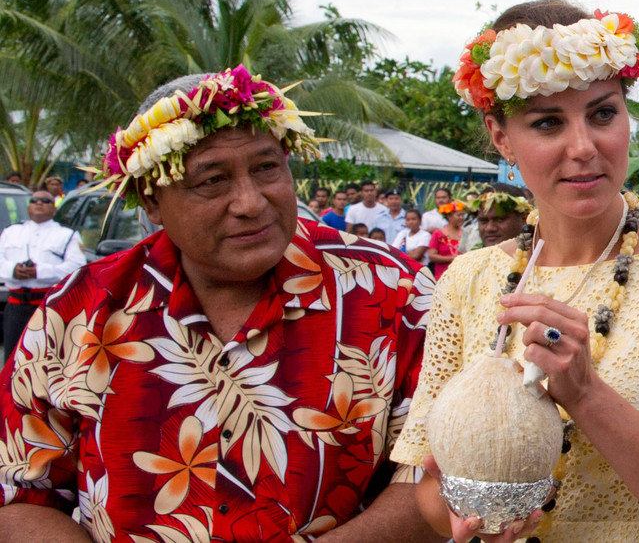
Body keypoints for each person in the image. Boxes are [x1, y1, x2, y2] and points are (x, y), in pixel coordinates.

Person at [0, 66, 433, 541]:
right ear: (151, 200)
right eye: (212, 180)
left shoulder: (393, 291)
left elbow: (440, 473)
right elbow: (21, 495)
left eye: (267, 168)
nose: (250, 202)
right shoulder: (78, 312)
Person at [389, 0, 639, 543]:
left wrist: (585, 394)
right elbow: (426, 482)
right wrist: (472, 519)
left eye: (603, 113)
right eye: (547, 122)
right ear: (501, 138)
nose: (584, 147)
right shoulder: (466, 282)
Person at [0, 190, 85, 362]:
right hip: (16, 308)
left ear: (54, 208)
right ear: (29, 206)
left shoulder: (67, 235)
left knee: (46, 361)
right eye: (35, 200)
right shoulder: (11, 232)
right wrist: (13, 270)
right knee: (13, 360)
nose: (39, 203)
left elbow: (77, 267)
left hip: (49, 306)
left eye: (45, 200)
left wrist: (40, 271)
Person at [472, 183, 532, 249]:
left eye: (499, 219)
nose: (489, 228)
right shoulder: (471, 257)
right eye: (483, 221)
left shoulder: (538, 256)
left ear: (524, 218)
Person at [426, 200, 464, 281]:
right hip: (442, 276)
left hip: (461, 276)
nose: (461, 218)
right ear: (449, 216)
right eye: (458, 215)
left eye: (462, 215)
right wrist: (451, 258)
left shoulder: (465, 233)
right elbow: (431, 256)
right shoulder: (438, 234)